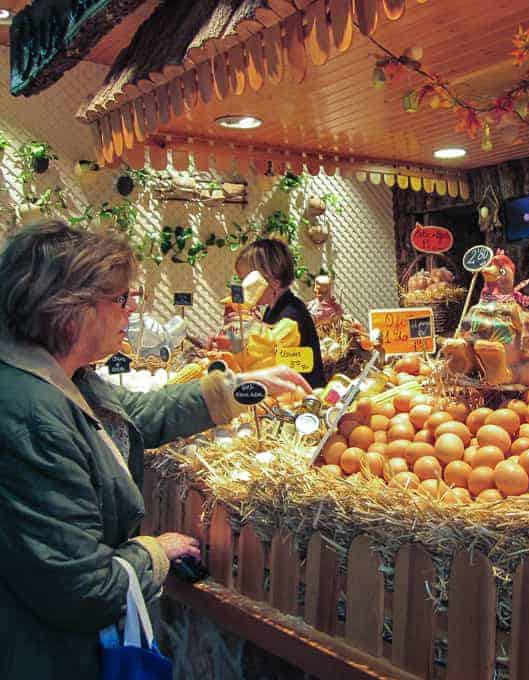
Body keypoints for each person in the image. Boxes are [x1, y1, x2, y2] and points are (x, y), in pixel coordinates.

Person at [0, 221, 310, 680]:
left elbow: (140, 413)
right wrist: (152, 553)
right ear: (71, 309)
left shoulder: (66, 375)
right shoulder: (31, 414)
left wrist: (244, 385)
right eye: (120, 299)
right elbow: (83, 588)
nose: (129, 312)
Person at [235, 238, 326, 388]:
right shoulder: (275, 308)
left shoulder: (290, 317)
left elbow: (270, 362)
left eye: (247, 281)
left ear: (273, 284)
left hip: (303, 398)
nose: (243, 287)